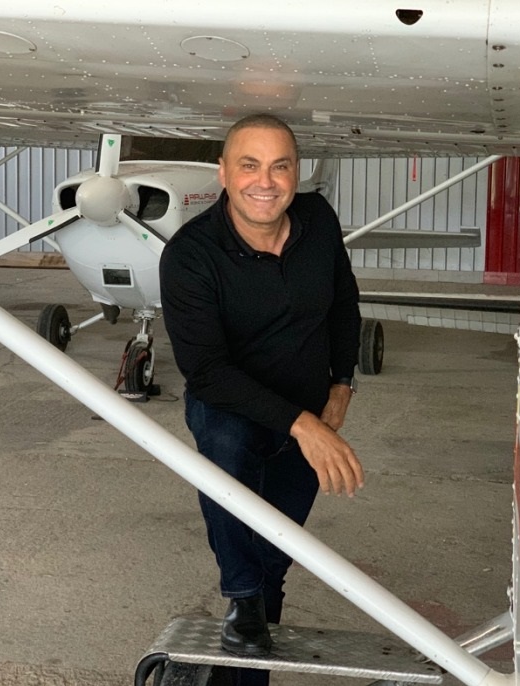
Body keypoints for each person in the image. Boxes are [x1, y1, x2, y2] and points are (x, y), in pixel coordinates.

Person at [159, 113, 365, 682]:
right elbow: (206, 372)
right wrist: (307, 426)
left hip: (306, 412)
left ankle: (237, 653)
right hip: (231, 408)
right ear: (224, 173)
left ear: (297, 173)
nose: (265, 182)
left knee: (273, 568)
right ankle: (240, 594)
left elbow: (344, 304)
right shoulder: (190, 255)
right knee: (226, 452)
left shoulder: (318, 220)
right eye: (249, 165)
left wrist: (342, 383)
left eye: (280, 166)